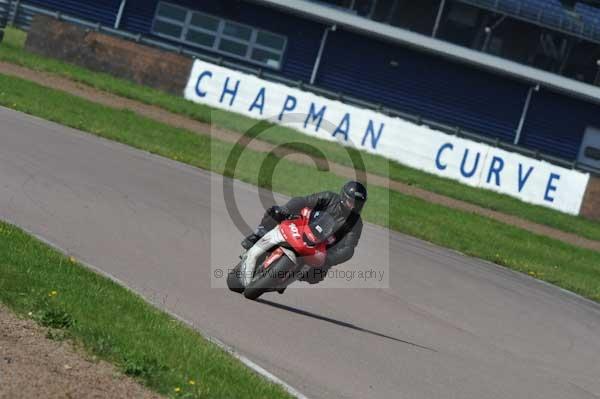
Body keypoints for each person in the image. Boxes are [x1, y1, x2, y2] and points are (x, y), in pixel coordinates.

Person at [241, 181, 367, 285]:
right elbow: (304, 200)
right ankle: (258, 235)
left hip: (321, 247)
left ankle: (291, 275)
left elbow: (349, 248)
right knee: (276, 212)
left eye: (358, 204)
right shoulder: (329, 197)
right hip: (303, 225)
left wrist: (329, 260)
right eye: (351, 202)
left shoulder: (356, 223)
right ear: (343, 198)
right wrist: (286, 209)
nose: (354, 207)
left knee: (317, 275)